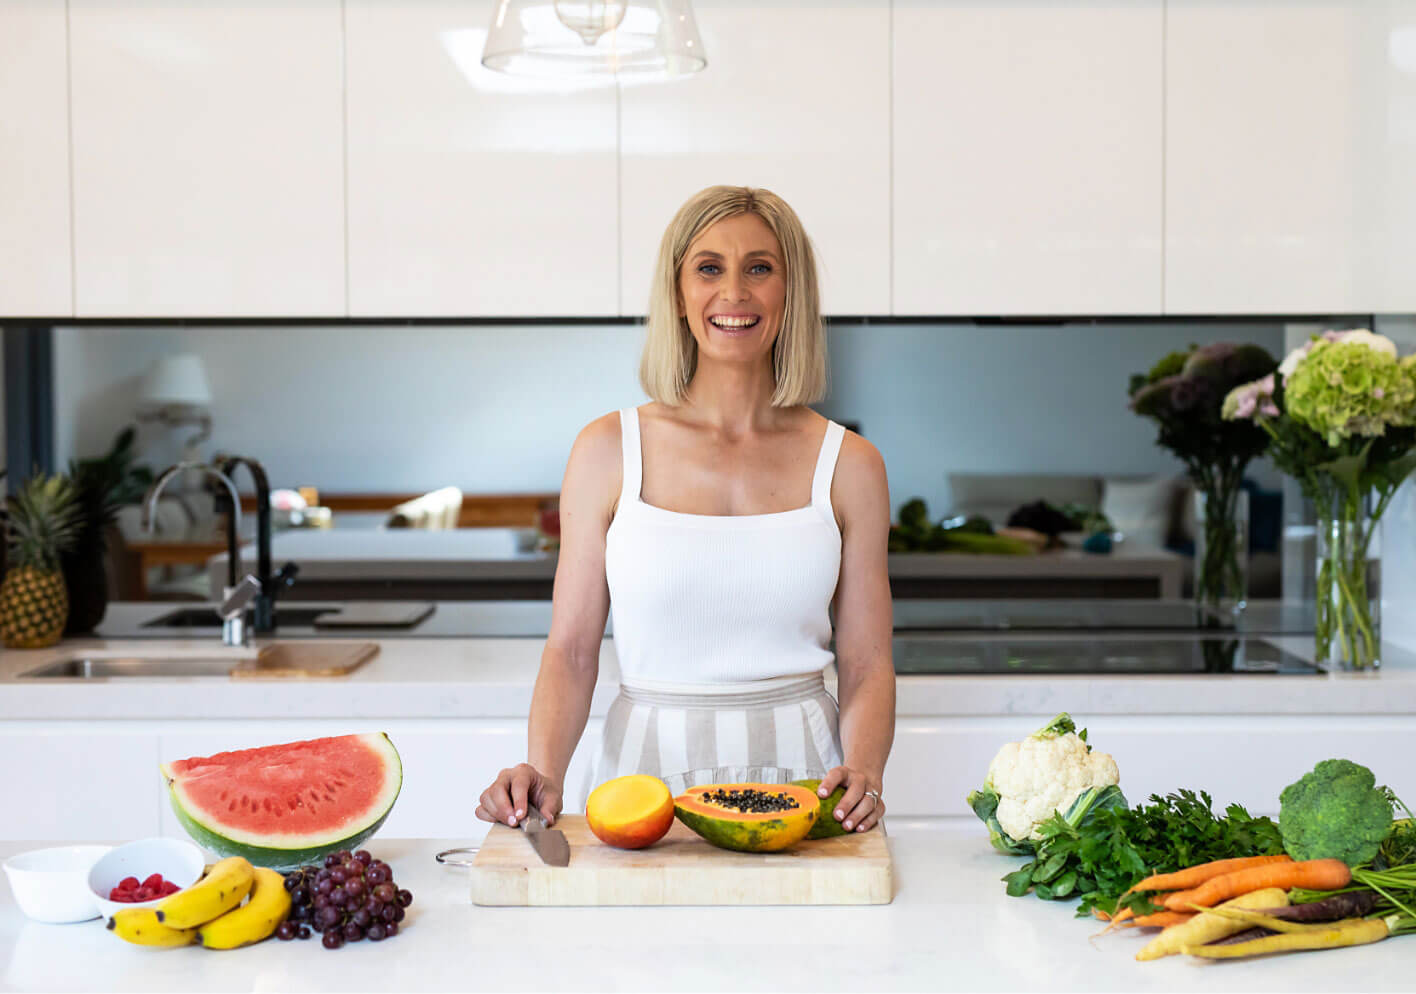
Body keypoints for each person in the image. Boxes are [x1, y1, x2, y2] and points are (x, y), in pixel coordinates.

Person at [476, 185, 895, 837]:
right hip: (641, 774)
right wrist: (544, 770)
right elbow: (572, 650)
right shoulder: (606, 450)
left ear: (792, 292)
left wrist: (865, 768)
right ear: (677, 292)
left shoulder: (852, 464)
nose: (734, 293)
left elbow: (868, 662)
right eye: (709, 268)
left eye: (760, 267)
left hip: (807, 776)